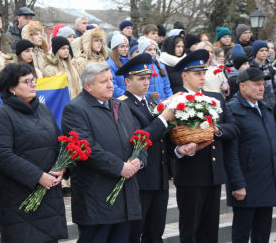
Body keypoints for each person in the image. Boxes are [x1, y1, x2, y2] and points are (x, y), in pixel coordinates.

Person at [61, 62, 147, 243]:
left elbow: (139, 138)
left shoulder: (120, 106)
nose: (110, 85)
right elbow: (87, 148)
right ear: (88, 86)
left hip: (125, 193)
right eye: (103, 81)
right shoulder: (75, 109)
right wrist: (119, 167)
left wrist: (139, 159)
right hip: (97, 197)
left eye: (110, 80)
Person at [0, 62, 68, 243]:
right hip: (20, 199)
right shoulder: (1, 116)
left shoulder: (43, 110)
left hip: (49, 194)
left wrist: (62, 168)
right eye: (26, 81)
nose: (33, 84)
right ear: (11, 88)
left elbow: (60, 142)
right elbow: (1, 155)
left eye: (33, 79)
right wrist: (38, 176)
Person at [167, 49, 239, 243]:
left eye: (203, 73)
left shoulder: (215, 97)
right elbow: (167, 139)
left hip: (214, 173)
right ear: (184, 75)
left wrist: (215, 129)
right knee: (190, 229)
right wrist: (180, 150)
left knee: (209, 230)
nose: (202, 77)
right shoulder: (174, 101)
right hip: (190, 174)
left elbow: (233, 128)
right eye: (197, 73)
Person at [116, 54, 175, 243]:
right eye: (141, 79)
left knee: (155, 231)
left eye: (148, 78)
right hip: (140, 179)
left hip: (159, 176)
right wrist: (164, 119)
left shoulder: (150, 103)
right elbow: (139, 138)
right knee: (135, 232)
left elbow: (161, 138)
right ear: (127, 81)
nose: (146, 82)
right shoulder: (122, 104)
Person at [224, 68, 276, 243]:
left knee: (262, 233)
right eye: (257, 84)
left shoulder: (265, 109)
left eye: (263, 84)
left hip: (266, 182)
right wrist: (237, 184)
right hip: (246, 184)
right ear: (243, 86)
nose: (262, 88)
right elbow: (230, 152)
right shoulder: (233, 110)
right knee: (242, 232)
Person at [139, 37, 173, 102]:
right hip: (148, 103)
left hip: (163, 103)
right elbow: (137, 88)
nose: (152, 52)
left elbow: (167, 87)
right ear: (143, 51)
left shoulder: (161, 66)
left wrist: (170, 101)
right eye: (149, 49)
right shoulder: (141, 66)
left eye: (154, 49)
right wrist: (148, 94)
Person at [249, 40, 276, 108]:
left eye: (266, 50)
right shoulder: (250, 68)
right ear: (255, 52)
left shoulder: (270, 68)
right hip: (256, 104)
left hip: (272, 104)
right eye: (261, 50)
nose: (264, 53)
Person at [107, 34, 130, 98]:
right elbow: (112, 86)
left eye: (127, 46)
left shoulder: (130, 62)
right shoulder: (110, 64)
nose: (126, 49)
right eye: (122, 46)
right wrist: (128, 97)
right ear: (115, 48)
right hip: (119, 100)